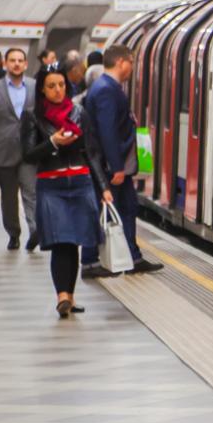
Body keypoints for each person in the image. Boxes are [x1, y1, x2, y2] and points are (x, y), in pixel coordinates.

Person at [23, 68, 100, 319]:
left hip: (80, 183)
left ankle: (70, 296)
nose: (58, 90)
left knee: (74, 242)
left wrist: (104, 187)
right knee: (60, 241)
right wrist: (53, 142)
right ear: (42, 90)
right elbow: (29, 154)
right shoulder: (33, 117)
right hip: (52, 186)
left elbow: (90, 151)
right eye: (52, 86)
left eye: (61, 85)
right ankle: (62, 296)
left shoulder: (79, 113)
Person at [80, 45, 161, 277]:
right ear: (122, 62)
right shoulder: (107, 89)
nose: (132, 68)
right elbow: (107, 131)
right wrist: (116, 167)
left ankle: (130, 256)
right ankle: (91, 260)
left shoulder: (104, 87)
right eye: (132, 62)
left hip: (108, 162)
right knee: (114, 208)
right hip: (110, 164)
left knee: (125, 206)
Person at [0, 48, 38, 251]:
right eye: (12, 60)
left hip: (29, 149)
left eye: (20, 60)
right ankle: (13, 233)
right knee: (8, 197)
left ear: (25, 64)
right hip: (2, 150)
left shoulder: (34, 86)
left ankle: (34, 231)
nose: (16, 64)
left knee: (31, 192)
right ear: (5, 63)